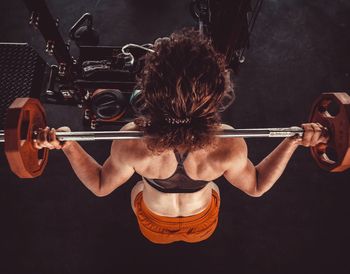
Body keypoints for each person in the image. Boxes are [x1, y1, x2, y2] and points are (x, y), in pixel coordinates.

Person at [35, 29, 327, 244]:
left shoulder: (131, 140)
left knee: (138, 187)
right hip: (203, 223)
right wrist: (293, 140)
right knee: (214, 185)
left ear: (147, 93)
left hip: (153, 224)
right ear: (215, 96)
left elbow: (100, 185)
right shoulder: (228, 144)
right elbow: (257, 186)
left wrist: (68, 144)